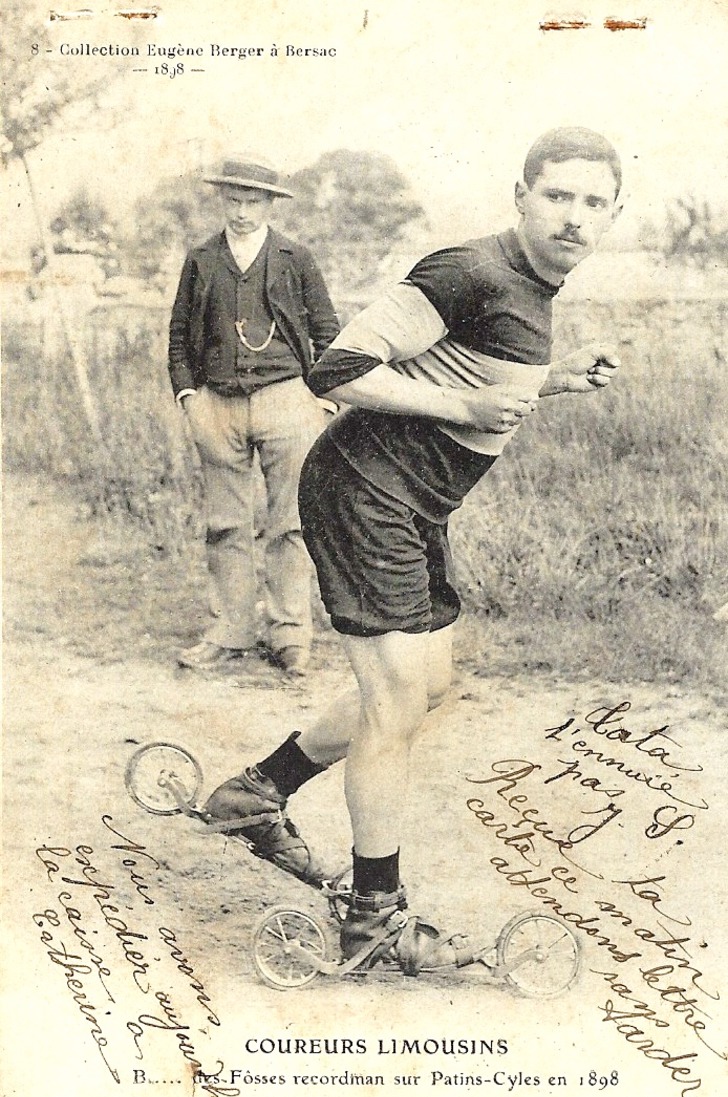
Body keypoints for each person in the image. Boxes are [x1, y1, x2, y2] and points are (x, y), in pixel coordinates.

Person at [204, 127, 624, 972]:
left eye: (593, 202)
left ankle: (259, 793)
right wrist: (464, 416)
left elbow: (467, 373)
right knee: (395, 699)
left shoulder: (532, 285)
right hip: (365, 492)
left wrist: (557, 378)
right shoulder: (467, 269)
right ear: (520, 195)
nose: (574, 217)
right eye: (558, 196)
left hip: (414, 505)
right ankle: (374, 914)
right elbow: (335, 368)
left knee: (425, 686)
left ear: (613, 214)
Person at [169, 154, 340, 675]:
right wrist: (190, 399)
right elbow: (178, 338)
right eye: (234, 200)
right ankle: (232, 631)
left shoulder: (295, 256)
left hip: (287, 401)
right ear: (222, 200)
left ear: (269, 204)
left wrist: (323, 401)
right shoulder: (201, 258)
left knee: (289, 524)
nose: (242, 211)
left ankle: (290, 636)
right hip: (217, 403)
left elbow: (329, 332)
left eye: (253, 201)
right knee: (225, 525)